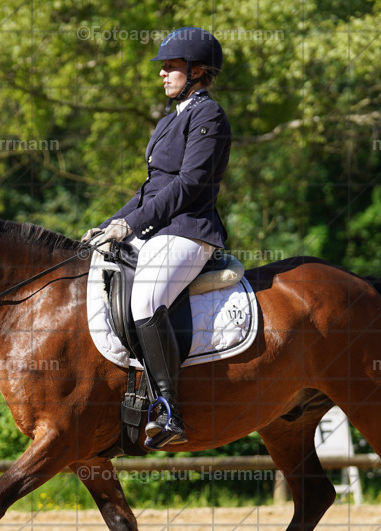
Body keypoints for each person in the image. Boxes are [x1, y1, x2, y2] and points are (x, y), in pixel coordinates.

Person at [82, 27, 231, 449]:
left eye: (171, 67)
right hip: (159, 228)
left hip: (190, 231)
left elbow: (189, 185)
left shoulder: (209, 116)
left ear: (198, 72)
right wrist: (111, 223)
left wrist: (131, 226)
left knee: (146, 299)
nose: (163, 74)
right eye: (163, 68)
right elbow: (149, 189)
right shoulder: (170, 120)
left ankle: (168, 408)